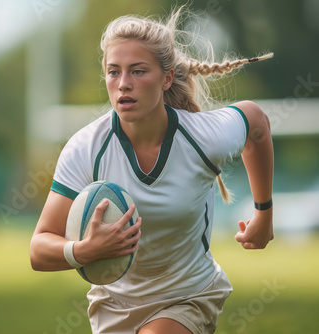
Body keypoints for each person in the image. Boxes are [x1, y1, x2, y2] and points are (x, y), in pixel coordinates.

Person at [30, 6, 274, 334]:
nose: (124, 84)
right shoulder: (85, 148)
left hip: (189, 295)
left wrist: (264, 214)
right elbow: (39, 249)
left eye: (138, 71)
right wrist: (86, 250)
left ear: (167, 78)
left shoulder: (203, 136)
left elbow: (256, 122)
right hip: (114, 306)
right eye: (113, 72)